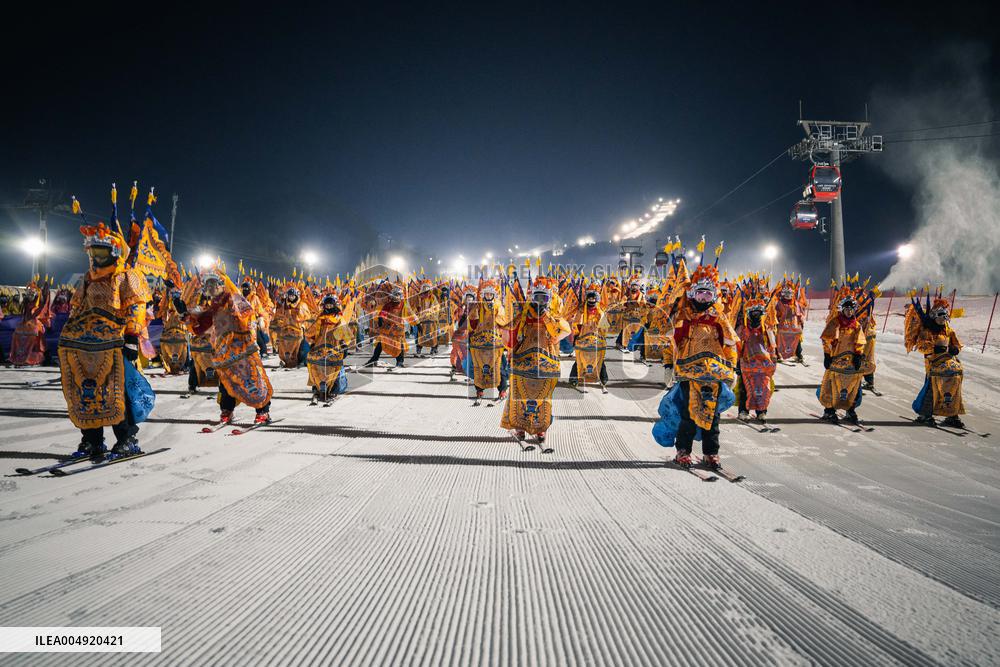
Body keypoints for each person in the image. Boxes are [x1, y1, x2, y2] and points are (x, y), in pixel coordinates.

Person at [59, 222, 150, 460]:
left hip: (115, 343)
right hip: (86, 345)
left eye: (101, 252)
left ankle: (127, 438)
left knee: (116, 391)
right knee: (85, 391)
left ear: (114, 252)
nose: (96, 257)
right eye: (93, 252)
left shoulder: (126, 276)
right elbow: (77, 307)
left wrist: (132, 336)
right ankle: (92, 440)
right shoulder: (88, 279)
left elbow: (137, 306)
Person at [170, 265, 273, 425]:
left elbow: (247, 317)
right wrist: (185, 314)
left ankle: (263, 411)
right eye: (208, 286)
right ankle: (227, 410)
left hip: (243, 347)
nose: (211, 288)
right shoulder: (214, 305)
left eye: (214, 285)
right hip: (224, 350)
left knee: (252, 379)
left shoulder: (235, 298)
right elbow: (201, 326)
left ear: (221, 285)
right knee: (226, 382)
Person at [668, 262, 738, 469]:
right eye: (700, 295)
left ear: (715, 296)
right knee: (689, 414)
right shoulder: (684, 316)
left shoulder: (719, 318)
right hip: (689, 371)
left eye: (708, 295)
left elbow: (730, 344)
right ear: (692, 295)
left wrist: (732, 368)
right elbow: (670, 338)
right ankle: (683, 451)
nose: (704, 300)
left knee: (713, 416)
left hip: (714, 373)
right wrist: (667, 365)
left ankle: (711, 452)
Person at [501, 284, 571, 442]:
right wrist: (510, 344)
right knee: (519, 393)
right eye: (537, 297)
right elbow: (510, 330)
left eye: (544, 298)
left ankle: (541, 428)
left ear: (548, 299)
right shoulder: (525, 314)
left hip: (546, 359)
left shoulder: (551, 314)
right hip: (524, 358)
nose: (540, 301)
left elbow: (565, 329)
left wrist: (548, 321)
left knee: (543, 395)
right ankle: (520, 427)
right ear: (532, 298)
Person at [905, 292, 966, 428]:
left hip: (949, 364)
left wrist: (955, 349)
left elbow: (956, 344)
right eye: (940, 317)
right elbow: (921, 346)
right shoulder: (927, 330)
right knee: (932, 389)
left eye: (945, 317)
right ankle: (925, 414)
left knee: (953, 385)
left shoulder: (948, 330)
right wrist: (934, 348)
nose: (943, 320)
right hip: (933, 365)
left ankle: (952, 414)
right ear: (934, 316)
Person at [818, 294, 867, 424]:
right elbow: (827, 339)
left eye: (851, 309)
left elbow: (860, 342)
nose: (849, 311)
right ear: (842, 310)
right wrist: (827, 355)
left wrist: (858, 355)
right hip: (836, 359)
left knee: (852, 385)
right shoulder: (835, 323)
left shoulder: (856, 325)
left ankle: (850, 409)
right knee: (831, 384)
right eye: (847, 309)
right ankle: (829, 410)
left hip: (850, 361)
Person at [305, 294, 354, 404]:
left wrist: (344, 345)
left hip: (334, 346)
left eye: (331, 305)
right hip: (320, 346)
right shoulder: (320, 318)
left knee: (334, 367)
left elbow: (345, 333)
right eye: (327, 305)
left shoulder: (339, 319)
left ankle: (333, 389)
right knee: (314, 364)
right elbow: (312, 331)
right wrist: (312, 341)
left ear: (335, 305)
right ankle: (316, 388)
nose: (329, 307)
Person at [735, 298, 777, 423]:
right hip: (747, 362)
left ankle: (762, 411)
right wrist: (737, 362)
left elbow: (772, 346)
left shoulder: (767, 328)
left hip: (764, 364)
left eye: (758, 313)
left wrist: (774, 360)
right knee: (745, 387)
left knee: (764, 388)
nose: (756, 315)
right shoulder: (743, 328)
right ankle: (743, 411)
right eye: (753, 313)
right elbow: (737, 346)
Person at [467, 280, 510, 401]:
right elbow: (472, 323)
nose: (488, 296)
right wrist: (474, 313)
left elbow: (502, 321)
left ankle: (502, 390)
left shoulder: (498, 305)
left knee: (499, 366)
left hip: (495, 341)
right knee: (478, 366)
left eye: (490, 294)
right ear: (483, 295)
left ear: (494, 295)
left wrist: (495, 314)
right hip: (479, 342)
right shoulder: (478, 305)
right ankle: (479, 390)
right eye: (486, 294)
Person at [569, 284, 610, 391]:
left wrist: (602, 338)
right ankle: (574, 379)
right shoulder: (582, 311)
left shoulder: (600, 312)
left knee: (600, 359)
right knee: (579, 360)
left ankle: (603, 380)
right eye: (590, 298)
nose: (592, 301)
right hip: (583, 339)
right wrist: (577, 335)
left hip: (596, 339)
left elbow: (604, 328)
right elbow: (576, 323)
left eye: (594, 299)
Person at [364, 284, 413, 370]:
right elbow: (383, 313)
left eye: (398, 295)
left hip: (398, 329)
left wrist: (418, 323)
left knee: (399, 345)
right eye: (394, 295)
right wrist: (380, 318)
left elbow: (410, 314)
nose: (396, 298)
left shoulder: (404, 304)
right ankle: (374, 359)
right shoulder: (388, 305)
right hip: (387, 328)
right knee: (380, 343)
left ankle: (400, 362)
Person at [9, 280, 52, 367]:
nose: (31, 293)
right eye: (29, 291)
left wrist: (45, 292)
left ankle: (34, 357)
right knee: (16, 335)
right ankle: (19, 356)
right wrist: (25, 320)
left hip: (35, 323)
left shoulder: (39, 301)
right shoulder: (26, 301)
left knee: (35, 337)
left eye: (33, 291)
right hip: (25, 322)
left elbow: (41, 308)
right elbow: (25, 312)